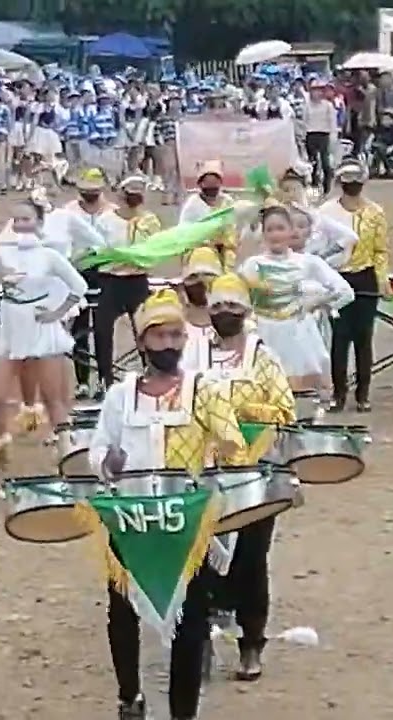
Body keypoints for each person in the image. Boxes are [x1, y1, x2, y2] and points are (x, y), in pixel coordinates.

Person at [87, 289, 249, 720]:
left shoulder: (205, 390)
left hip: (187, 520)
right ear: (142, 343)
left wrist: (223, 441)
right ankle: (129, 696)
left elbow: (233, 446)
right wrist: (109, 461)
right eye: (159, 337)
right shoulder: (121, 395)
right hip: (133, 519)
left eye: (177, 335)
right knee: (122, 612)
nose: (170, 345)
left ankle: (183, 714)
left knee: (191, 622)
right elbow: (99, 449)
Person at [197, 272, 297, 681]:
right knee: (202, 560)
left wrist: (240, 419)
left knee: (252, 561)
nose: (225, 313)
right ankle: (199, 644)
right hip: (203, 471)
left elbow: (285, 409)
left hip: (254, 472)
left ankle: (251, 644)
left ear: (246, 310)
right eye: (218, 306)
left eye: (232, 306)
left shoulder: (263, 359)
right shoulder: (195, 354)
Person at [0, 202, 88, 472]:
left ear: (39, 223)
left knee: (53, 399)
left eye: (26, 219)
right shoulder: (4, 252)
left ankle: (67, 458)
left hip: (41, 332)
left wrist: (57, 313)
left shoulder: (49, 256)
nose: (20, 224)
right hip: (10, 332)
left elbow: (79, 286)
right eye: (16, 219)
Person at [238, 205, 355, 414]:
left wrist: (316, 303)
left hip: (298, 337)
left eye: (280, 228)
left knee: (300, 406)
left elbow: (344, 291)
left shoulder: (308, 262)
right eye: (270, 229)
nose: (275, 234)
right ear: (263, 234)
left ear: (291, 231)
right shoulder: (253, 265)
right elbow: (237, 297)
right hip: (263, 336)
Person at [317, 161, 392, 411]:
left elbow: (380, 250)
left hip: (365, 277)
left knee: (364, 337)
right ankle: (339, 393)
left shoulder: (376, 213)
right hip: (337, 279)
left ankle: (363, 394)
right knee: (340, 337)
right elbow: (319, 247)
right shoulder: (325, 212)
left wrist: (382, 280)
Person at [92, 175, 163, 396]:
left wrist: (135, 258)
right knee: (102, 331)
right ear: (121, 193)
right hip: (110, 281)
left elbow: (154, 251)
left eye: (138, 192)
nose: (133, 196)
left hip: (137, 281)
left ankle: (151, 374)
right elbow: (98, 250)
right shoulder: (105, 220)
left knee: (145, 329)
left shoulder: (150, 221)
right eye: (130, 192)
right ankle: (105, 380)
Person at [65, 169, 116, 398]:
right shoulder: (68, 212)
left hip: (105, 273)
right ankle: (82, 381)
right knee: (80, 329)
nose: (89, 196)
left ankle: (105, 381)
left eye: (93, 192)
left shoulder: (113, 213)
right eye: (86, 192)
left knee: (104, 330)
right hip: (77, 273)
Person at [178, 161, 239, 268]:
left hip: (224, 250)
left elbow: (233, 227)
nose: (212, 186)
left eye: (215, 182)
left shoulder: (227, 201)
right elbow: (184, 231)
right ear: (201, 184)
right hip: (200, 251)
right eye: (208, 182)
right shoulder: (193, 204)